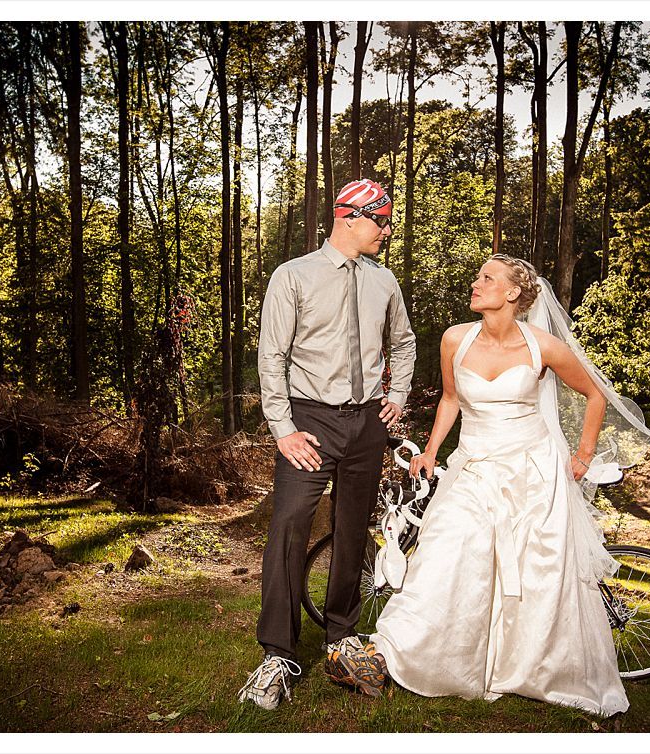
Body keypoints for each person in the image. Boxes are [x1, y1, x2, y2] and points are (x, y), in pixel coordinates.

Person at [365, 254, 650, 716]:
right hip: (473, 464)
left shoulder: (544, 346)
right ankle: (394, 652)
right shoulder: (455, 339)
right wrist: (432, 451)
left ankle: (525, 666)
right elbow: (451, 398)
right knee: (447, 548)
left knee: (534, 571)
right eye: (478, 276)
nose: (476, 284)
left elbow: (595, 394)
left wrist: (582, 455)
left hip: (532, 468)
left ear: (513, 293)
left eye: (486, 278)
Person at [238, 179, 417, 710]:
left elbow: (404, 344)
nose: (386, 231)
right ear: (350, 218)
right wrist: (282, 428)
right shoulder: (292, 276)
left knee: (352, 531)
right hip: (308, 423)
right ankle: (278, 655)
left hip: (367, 426)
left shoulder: (384, 282)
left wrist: (399, 396)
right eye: (381, 221)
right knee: (290, 527)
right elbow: (272, 357)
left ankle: (342, 637)